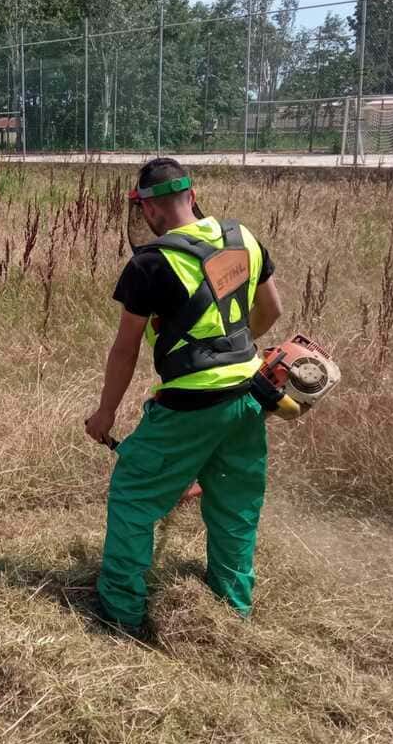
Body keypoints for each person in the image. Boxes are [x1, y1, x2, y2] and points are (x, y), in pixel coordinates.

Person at [84, 157, 283, 639]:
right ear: (192, 196)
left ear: (148, 209)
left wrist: (105, 413)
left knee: (133, 495)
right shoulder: (242, 237)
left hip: (190, 405)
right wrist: (231, 353)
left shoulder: (150, 263)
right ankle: (233, 607)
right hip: (249, 394)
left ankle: (120, 613)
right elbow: (271, 309)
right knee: (234, 504)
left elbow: (126, 348)